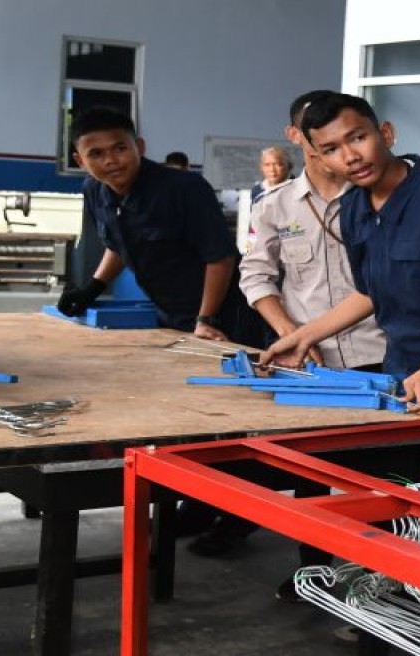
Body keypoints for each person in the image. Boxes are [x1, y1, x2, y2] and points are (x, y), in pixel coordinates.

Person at [59, 106, 267, 555]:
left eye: (120, 147)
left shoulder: (183, 189)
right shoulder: (95, 191)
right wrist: (92, 287)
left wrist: (207, 321)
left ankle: (238, 518)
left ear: (140, 146)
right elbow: (117, 244)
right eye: (97, 153)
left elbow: (219, 258)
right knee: (190, 419)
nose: (111, 159)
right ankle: (199, 501)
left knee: (235, 423)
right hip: (173, 317)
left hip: (225, 318)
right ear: (81, 159)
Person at [259, 92, 420, 416]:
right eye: (331, 149)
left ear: (386, 134)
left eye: (358, 138)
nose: (350, 156)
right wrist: (303, 337)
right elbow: (370, 293)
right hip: (400, 377)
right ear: (320, 159)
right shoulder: (352, 209)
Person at [238, 90, 391, 600]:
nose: (335, 148)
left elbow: (388, 285)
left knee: (380, 476)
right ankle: (313, 571)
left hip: (380, 356)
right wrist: (292, 336)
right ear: (300, 138)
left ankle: (378, 577)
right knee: (312, 472)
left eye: (350, 136)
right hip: (309, 368)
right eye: (319, 138)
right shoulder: (276, 204)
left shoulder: (377, 196)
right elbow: (257, 276)